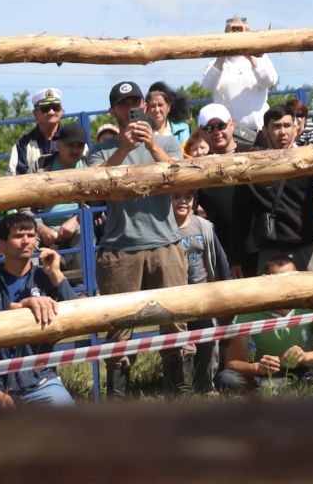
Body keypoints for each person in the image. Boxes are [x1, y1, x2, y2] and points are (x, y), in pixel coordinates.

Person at [86, 79, 188, 397]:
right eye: (123, 104)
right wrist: (126, 148)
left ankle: (181, 391)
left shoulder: (168, 143)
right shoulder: (100, 151)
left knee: (176, 319)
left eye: (135, 102)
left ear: (143, 106)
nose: (130, 108)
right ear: (113, 110)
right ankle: (118, 399)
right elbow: (95, 189)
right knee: (119, 326)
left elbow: (182, 177)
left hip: (166, 242)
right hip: (120, 248)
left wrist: (152, 147)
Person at [0, 212, 77, 409]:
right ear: (2, 244)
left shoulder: (46, 278)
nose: (26, 241)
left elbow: (78, 319)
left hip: (40, 380)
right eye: (18, 236)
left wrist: (57, 274)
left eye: (31, 235)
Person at [217, 251, 313, 392]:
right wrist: (257, 367)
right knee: (227, 378)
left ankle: (295, 388)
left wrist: (305, 357)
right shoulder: (251, 312)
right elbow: (231, 363)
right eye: (280, 283)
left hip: (305, 371)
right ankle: (272, 390)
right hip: (266, 375)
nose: (287, 287)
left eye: (291, 281)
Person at [239, 104, 313, 274]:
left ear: (296, 129)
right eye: (276, 126)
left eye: (287, 126)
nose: (282, 132)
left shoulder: (310, 159)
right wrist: (236, 258)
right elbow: (240, 215)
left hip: (308, 247)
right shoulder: (252, 167)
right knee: (271, 300)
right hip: (271, 250)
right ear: (265, 131)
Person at [166, 192, 230, 396]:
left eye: (188, 198)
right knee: (178, 345)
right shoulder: (163, 228)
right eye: (177, 197)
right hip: (176, 298)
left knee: (208, 345)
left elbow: (219, 259)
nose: (182, 201)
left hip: (203, 295)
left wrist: (223, 289)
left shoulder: (203, 226)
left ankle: (206, 387)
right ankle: (179, 389)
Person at [201, 16, 279, 141]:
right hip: (228, 132)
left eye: (240, 32)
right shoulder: (217, 62)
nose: (236, 36)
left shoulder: (261, 58)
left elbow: (269, 81)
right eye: (232, 32)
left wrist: (250, 55)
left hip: (257, 130)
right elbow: (208, 86)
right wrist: (221, 57)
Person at [193, 104, 249, 274]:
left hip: (262, 247)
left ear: (232, 124)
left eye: (221, 125)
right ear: (202, 133)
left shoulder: (254, 153)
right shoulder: (200, 169)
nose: (217, 131)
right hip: (225, 254)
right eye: (210, 128)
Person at [35, 120, 91, 254]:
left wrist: (78, 220)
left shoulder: (89, 169)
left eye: (80, 145)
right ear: (58, 145)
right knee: (25, 241)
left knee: (85, 235)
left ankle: (83, 275)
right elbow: (24, 206)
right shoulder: (40, 167)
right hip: (41, 227)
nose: (76, 150)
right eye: (71, 145)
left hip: (77, 227)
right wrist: (41, 228)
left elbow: (97, 204)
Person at [10, 89, 67, 176]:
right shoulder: (22, 145)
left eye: (56, 107)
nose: (51, 112)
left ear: (61, 111)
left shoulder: (75, 139)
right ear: (35, 113)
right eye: (45, 108)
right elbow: (13, 178)